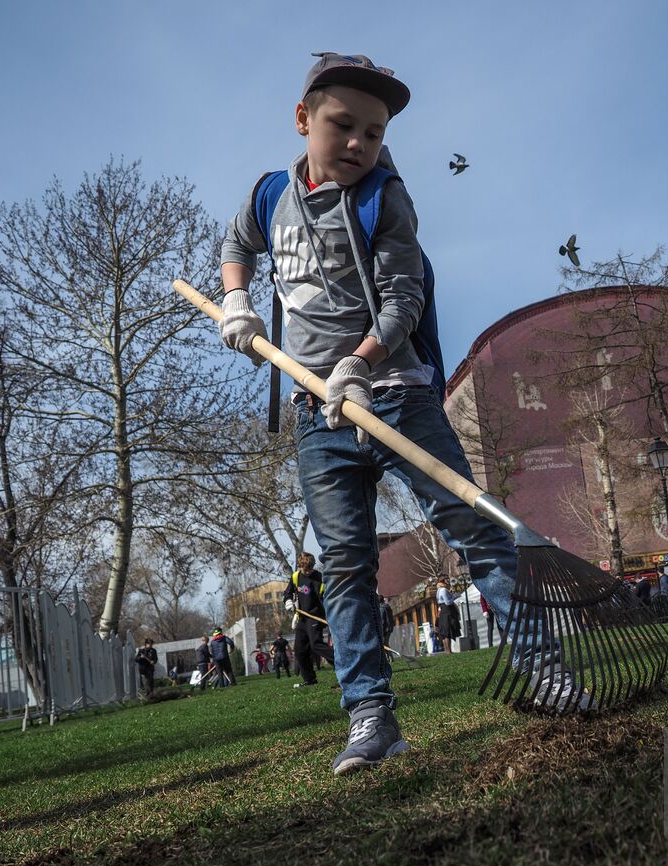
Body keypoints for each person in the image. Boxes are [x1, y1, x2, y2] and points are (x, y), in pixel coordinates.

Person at [217, 53, 587, 773]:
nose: (359, 143)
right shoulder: (269, 196)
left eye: (374, 133)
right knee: (347, 568)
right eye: (343, 125)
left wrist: (359, 363)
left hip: (398, 395)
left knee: (474, 531)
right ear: (303, 121)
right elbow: (237, 246)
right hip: (316, 416)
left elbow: (403, 301)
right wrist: (235, 298)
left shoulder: (385, 198)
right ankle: (371, 718)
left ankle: (545, 669)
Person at [284, 552, 335, 687]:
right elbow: (288, 593)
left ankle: (341, 664)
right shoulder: (295, 577)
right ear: (300, 566)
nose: (306, 572)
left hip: (316, 617)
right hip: (302, 618)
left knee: (316, 644)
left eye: (309, 569)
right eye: (304, 569)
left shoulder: (319, 578)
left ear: (312, 566)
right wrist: (288, 601)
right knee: (300, 650)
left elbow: (326, 598)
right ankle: (309, 679)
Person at [435, 577, 462, 653]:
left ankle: (447, 651)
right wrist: (454, 596)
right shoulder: (443, 590)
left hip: (442, 610)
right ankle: (449, 651)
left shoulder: (438, 590)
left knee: (444, 631)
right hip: (447, 610)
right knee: (448, 630)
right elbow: (447, 602)